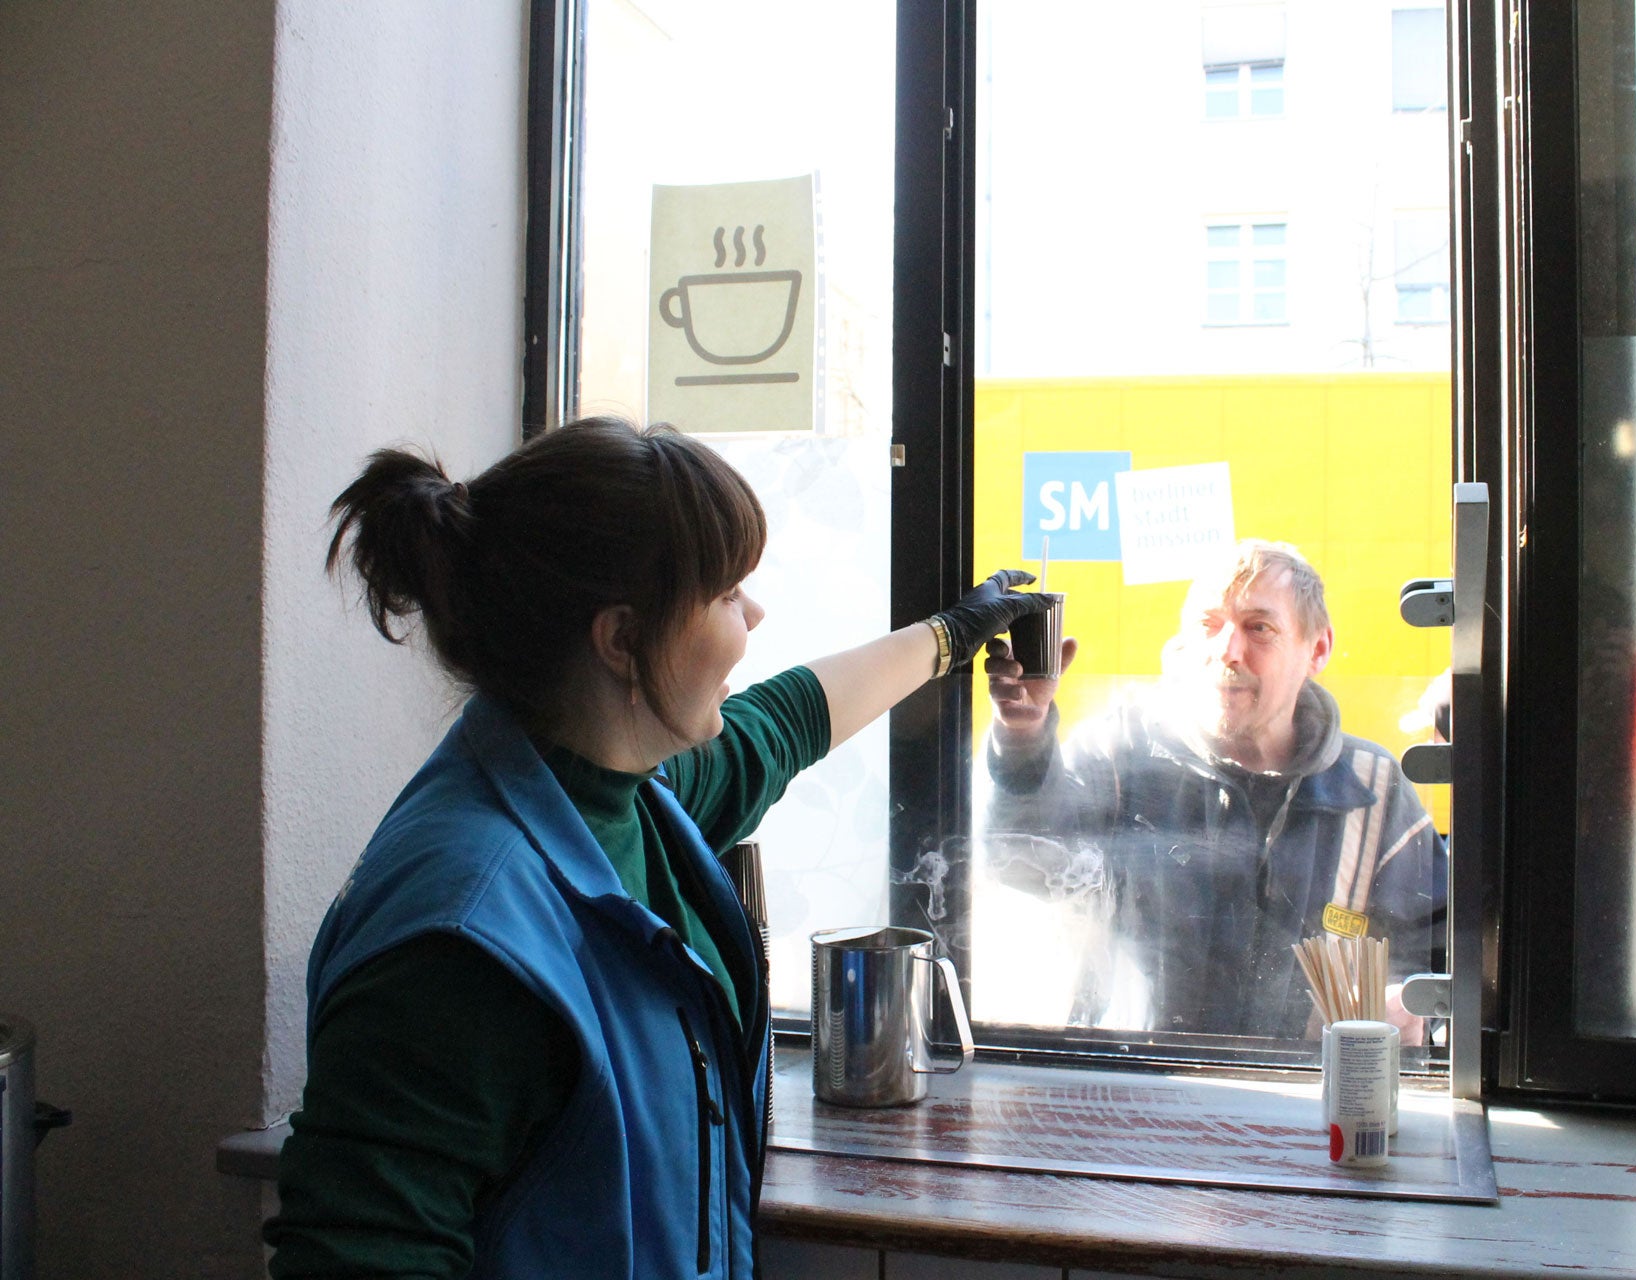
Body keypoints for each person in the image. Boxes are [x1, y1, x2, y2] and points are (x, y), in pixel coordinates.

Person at [264, 417, 1046, 1279]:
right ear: (623, 640)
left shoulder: (617, 793)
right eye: (722, 596)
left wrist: (951, 635)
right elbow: (357, 1254)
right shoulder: (462, 938)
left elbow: (781, 727)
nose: (754, 612)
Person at [979, 539, 1436, 1045]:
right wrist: (1022, 737)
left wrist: (1409, 1001)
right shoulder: (1119, 753)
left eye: (1258, 628)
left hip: (1308, 1102)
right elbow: (1019, 865)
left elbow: (1434, 950)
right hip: (1137, 1089)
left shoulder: (1375, 790)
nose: (1228, 650)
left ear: (1318, 649)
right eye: (1208, 626)